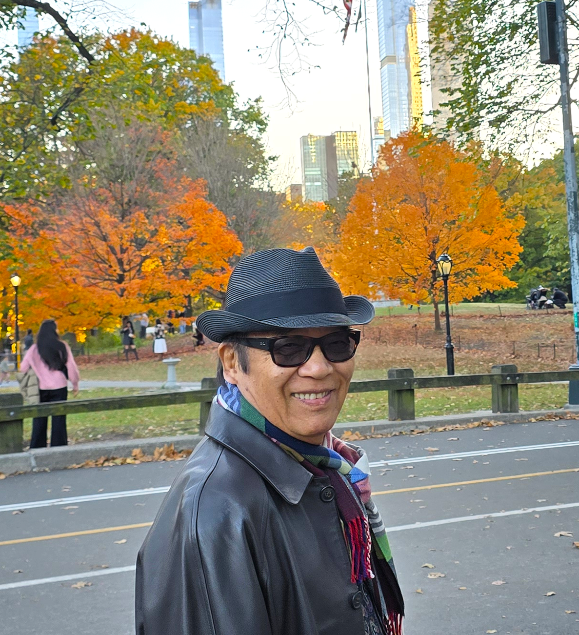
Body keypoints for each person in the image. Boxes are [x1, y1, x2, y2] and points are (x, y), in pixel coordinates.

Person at [136, 247, 405, 635]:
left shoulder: (327, 466)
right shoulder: (215, 512)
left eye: (337, 343)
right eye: (289, 348)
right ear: (232, 363)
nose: (319, 368)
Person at [21, 319, 80, 448]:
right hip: (59, 386)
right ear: (53, 331)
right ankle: (58, 446)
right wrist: (75, 384)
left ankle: (37, 446)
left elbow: (23, 367)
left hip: (40, 387)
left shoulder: (34, 348)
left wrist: (35, 370)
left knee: (39, 418)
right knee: (59, 419)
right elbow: (71, 367)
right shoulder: (62, 346)